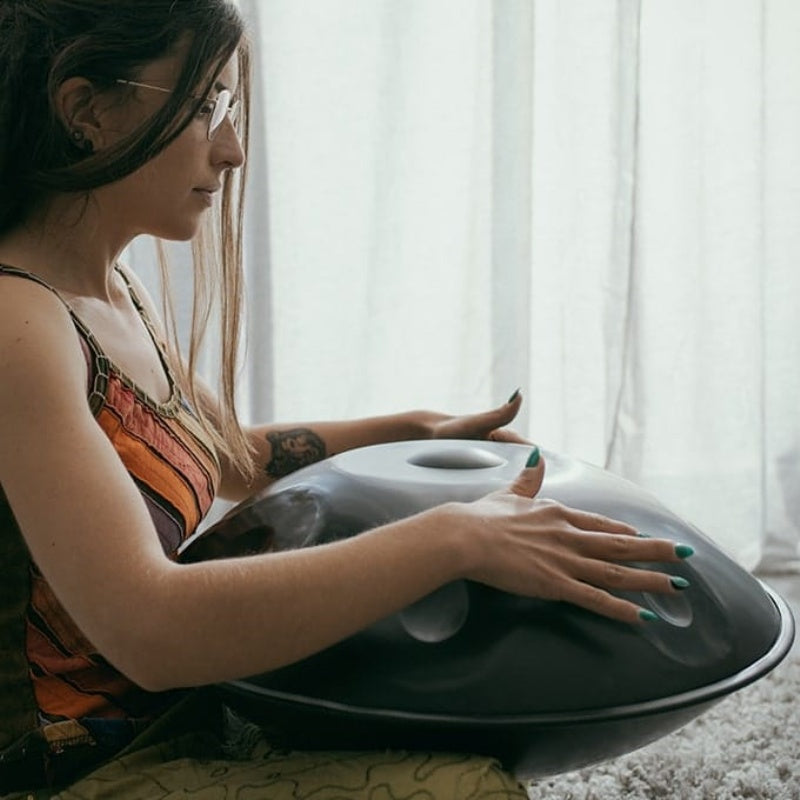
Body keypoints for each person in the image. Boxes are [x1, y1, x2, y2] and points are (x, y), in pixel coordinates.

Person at [0, 2, 692, 797]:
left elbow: (228, 457)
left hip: (181, 717)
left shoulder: (106, 291)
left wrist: (410, 430)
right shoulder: (19, 324)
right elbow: (150, 631)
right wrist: (455, 539)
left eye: (226, 109)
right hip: (68, 773)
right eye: (202, 109)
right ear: (86, 110)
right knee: (463, 790)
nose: (229, 149)